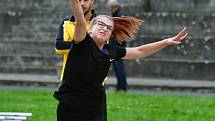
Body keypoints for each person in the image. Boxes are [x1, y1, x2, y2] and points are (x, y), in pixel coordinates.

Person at [54, 0, 187, 121]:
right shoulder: (81, 42)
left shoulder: (111, 51)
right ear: (90, 29)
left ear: (110, 34)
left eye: (109, 28)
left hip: (95, 104)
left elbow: (140, 51)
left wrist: (166, 42)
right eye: (100, 25)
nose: (104, 29)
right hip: (70, 103)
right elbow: (80, 20)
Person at [55, 0, 107, 121]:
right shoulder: (66, 23)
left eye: (86, 0)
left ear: (93, 1)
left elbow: (106, 48)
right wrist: (83, 45)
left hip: (95, 85)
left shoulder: (102, 24)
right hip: (70, 83)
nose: (82, 3)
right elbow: (58, 46)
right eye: (79, 0)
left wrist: (78, 44)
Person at [107, 0, 127, 92]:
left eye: (109, 7)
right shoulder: (118, 15)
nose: (108, 9)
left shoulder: (119, 16)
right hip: (116, 45)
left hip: (117, 46)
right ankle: (120, 87)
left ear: (114, 7)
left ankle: (122, 88)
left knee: (119, 67)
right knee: (117, 67)